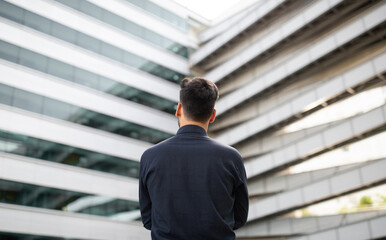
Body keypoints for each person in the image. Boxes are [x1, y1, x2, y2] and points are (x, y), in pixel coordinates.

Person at [139, 77, 249, 240]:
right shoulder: (231, 157)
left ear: (179, 109)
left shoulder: (150, 156)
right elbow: (239, 217)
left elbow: (148, 220)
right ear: (212, 115)